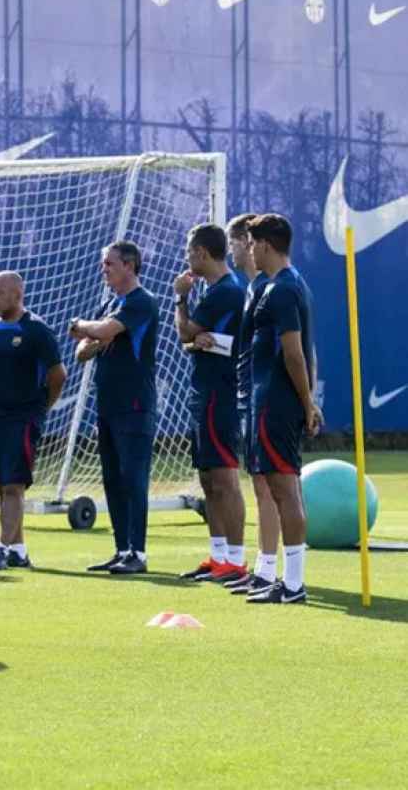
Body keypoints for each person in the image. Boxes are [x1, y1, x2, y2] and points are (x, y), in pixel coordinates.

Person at [243, 213, 319, 605]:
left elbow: (294, 352)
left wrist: (307, 404)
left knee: (285, 489)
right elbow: (309, 351)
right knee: (277, 487)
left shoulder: (283, 290)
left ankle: (293, 584)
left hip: (276, 402)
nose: (250, 250)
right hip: (270, 400)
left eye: (253, 243)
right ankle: (285, 581)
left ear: (267, 245)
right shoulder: (289, 286)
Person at [69, 241, 158, 575]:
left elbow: (99, 331)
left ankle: (138, 552)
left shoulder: (141, 302)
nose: (103, 269)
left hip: (134, 404)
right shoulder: (109, 303)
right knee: (113, 479)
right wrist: (91, 333)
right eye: (103, 263)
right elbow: (81, 351)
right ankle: (122, 549)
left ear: (130, 265)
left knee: (134, 479)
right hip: (107, 404)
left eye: (109, 263)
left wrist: (86, 327)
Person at [173, 223, 249, 584]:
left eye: (190, 252)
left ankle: (236, 560)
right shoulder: (216, 290)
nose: (187, 259)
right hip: (203, 390)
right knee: (207, 478)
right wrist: (199, 338)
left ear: (202, 253)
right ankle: (218, 557)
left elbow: (185, 332)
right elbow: (190, 342)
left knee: (224, 477)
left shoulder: (225, 292)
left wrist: (181, 298)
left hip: (221, 393)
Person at [0, 272, 65, 570]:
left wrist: (40, 409)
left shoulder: (37, 330)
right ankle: (19, 550)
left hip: (23, 417)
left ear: (17, 294)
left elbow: (58, 376)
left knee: (14, 485)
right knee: (2, 484)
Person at [223, 213, 283, 596]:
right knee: (261, 484)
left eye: (234, 243)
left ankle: (271, 570)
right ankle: (264, 567)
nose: (232, 251)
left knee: (272, 487)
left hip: (269, 400)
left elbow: (294, 344)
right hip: (250, 397)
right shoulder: (251, 287)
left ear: (249, 243)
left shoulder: (273, 286)